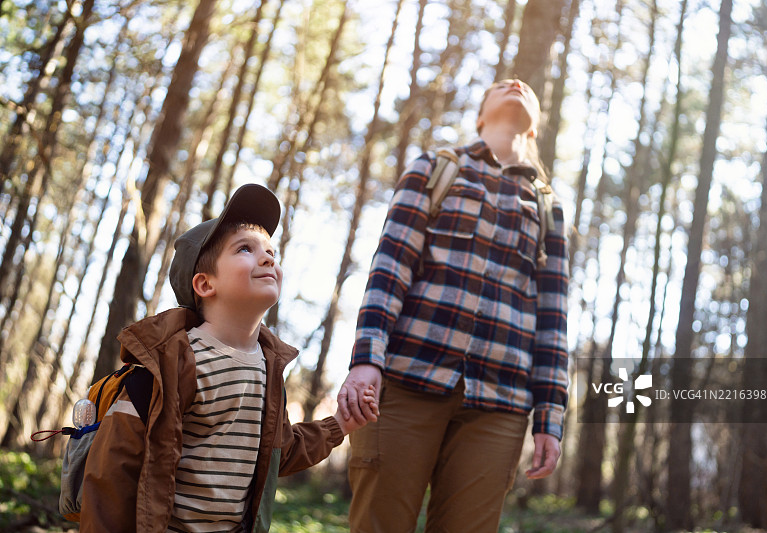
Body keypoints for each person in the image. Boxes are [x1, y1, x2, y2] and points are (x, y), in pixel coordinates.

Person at [337, 79, 570, 532]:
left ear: (535, 128)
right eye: (500, 86)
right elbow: (390, 267)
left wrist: (550, 416)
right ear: (481, 116)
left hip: (500, 404)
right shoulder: (436, 168)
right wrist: (367, 361)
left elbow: (553, 321)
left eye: (525, 88)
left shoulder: (547, 207)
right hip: (406, 380)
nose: (516, 84)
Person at [80, 183, 379, 533]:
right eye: (245, 249)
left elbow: (277, 452)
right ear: (206, 285)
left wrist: (339, 425)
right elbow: (112, 469)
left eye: (271, 251)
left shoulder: (268, 367)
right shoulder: (169, 363)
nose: (267, 258)